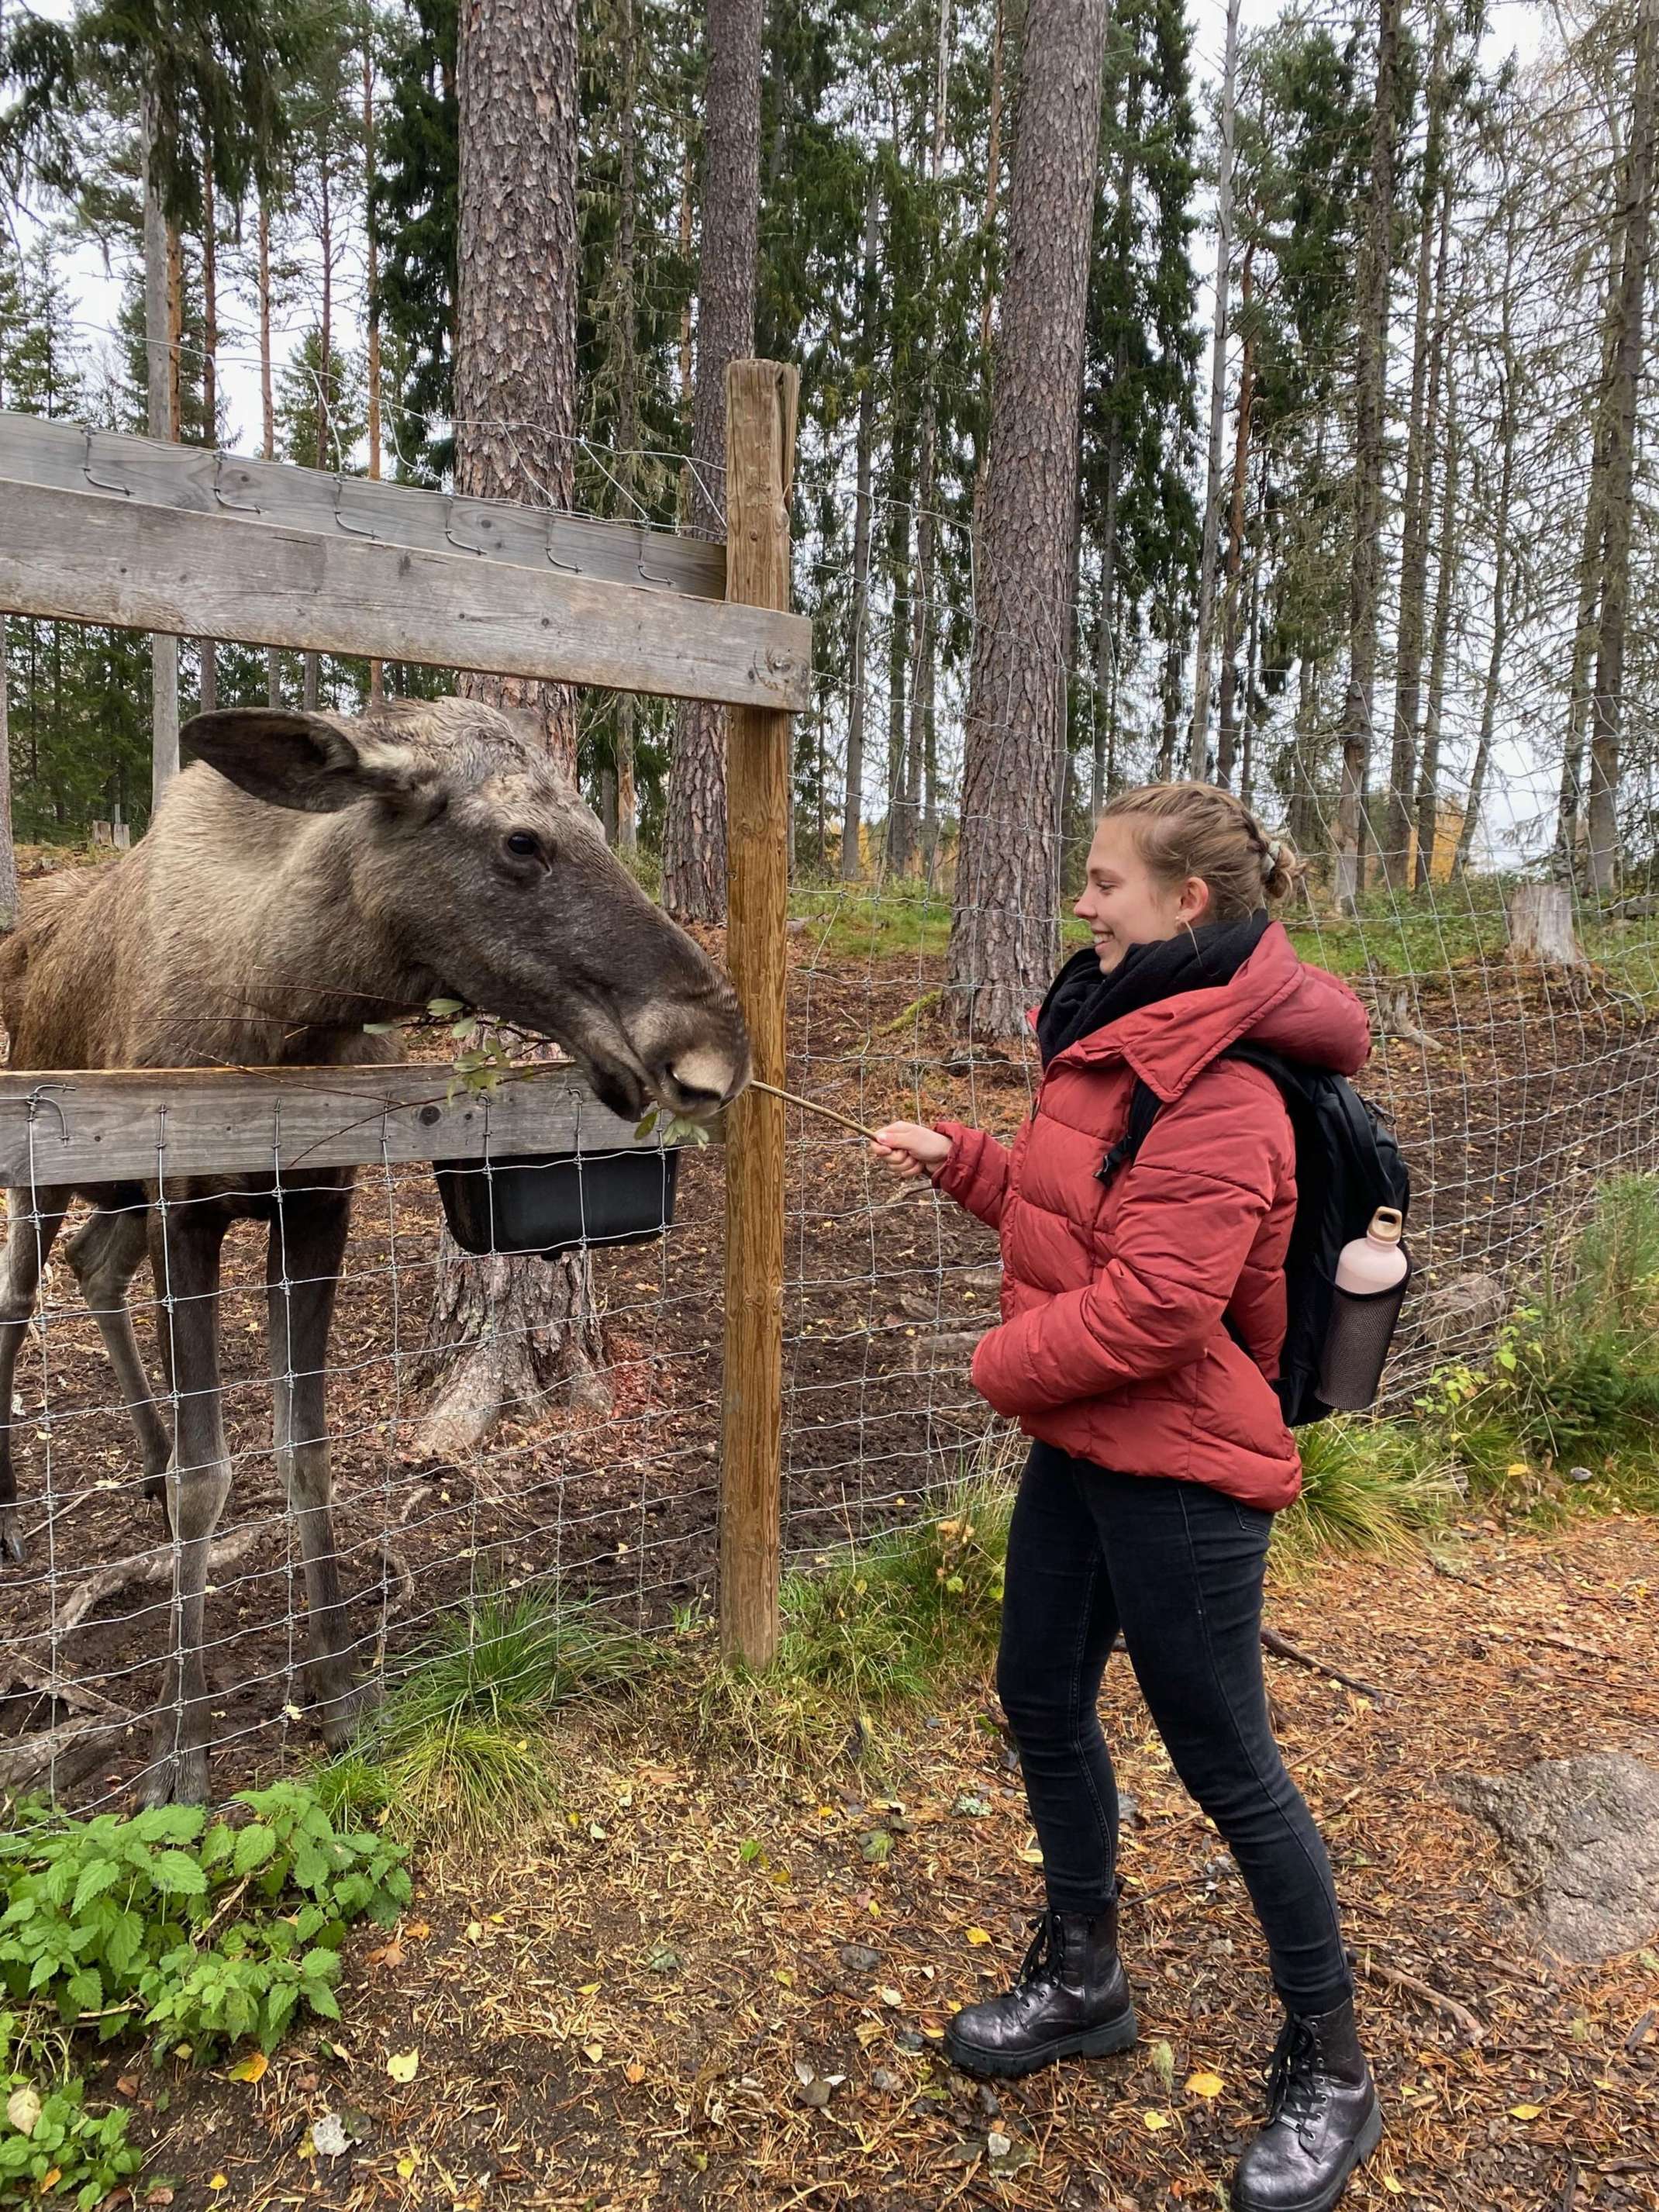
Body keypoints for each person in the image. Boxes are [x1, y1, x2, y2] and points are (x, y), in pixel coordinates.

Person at [872, 782, 1381, 2212]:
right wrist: (965, 1161)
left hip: (1183, 1474)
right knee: (1039, 1695)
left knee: (1228, 1764)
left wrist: (994, 1360)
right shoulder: (1126, 1032)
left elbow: (1158, 1306)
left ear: (1186, 904)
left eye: (1104, 882)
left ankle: (1332, 2066)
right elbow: (1081, 1204)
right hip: (1086, 1444)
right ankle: (1084, 1971)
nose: (1082, 903)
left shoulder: (1223, 1084)